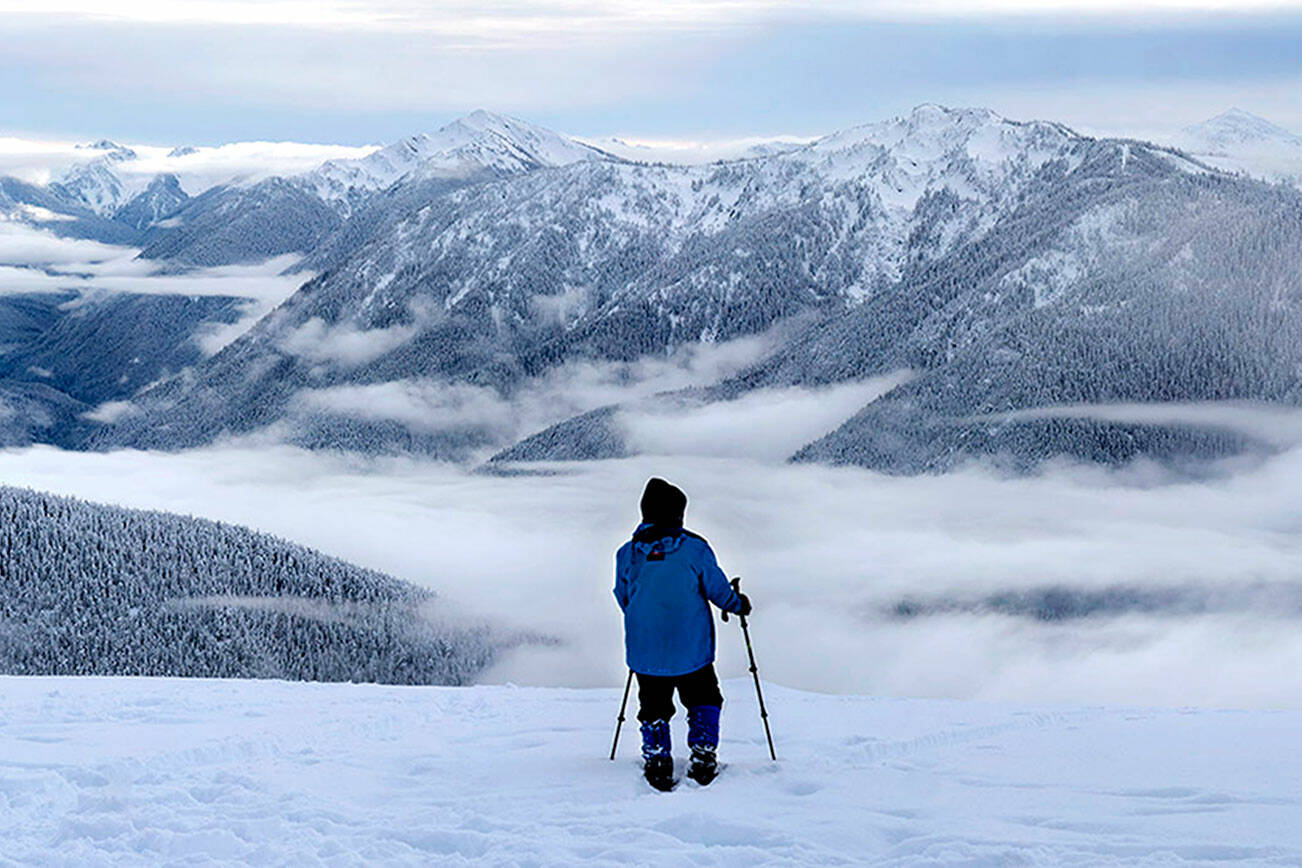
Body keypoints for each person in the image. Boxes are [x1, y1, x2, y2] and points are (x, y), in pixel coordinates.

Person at [613, 477, 751, 789]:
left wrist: (645, 621)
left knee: (652, 705)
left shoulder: (627, 554)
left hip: (645, 650)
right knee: (704, 697)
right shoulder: (694, 549)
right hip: (692, 650)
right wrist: (738, 604)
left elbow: (623, 596)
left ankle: (657, 760)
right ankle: (702, 756)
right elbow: (717, 590)